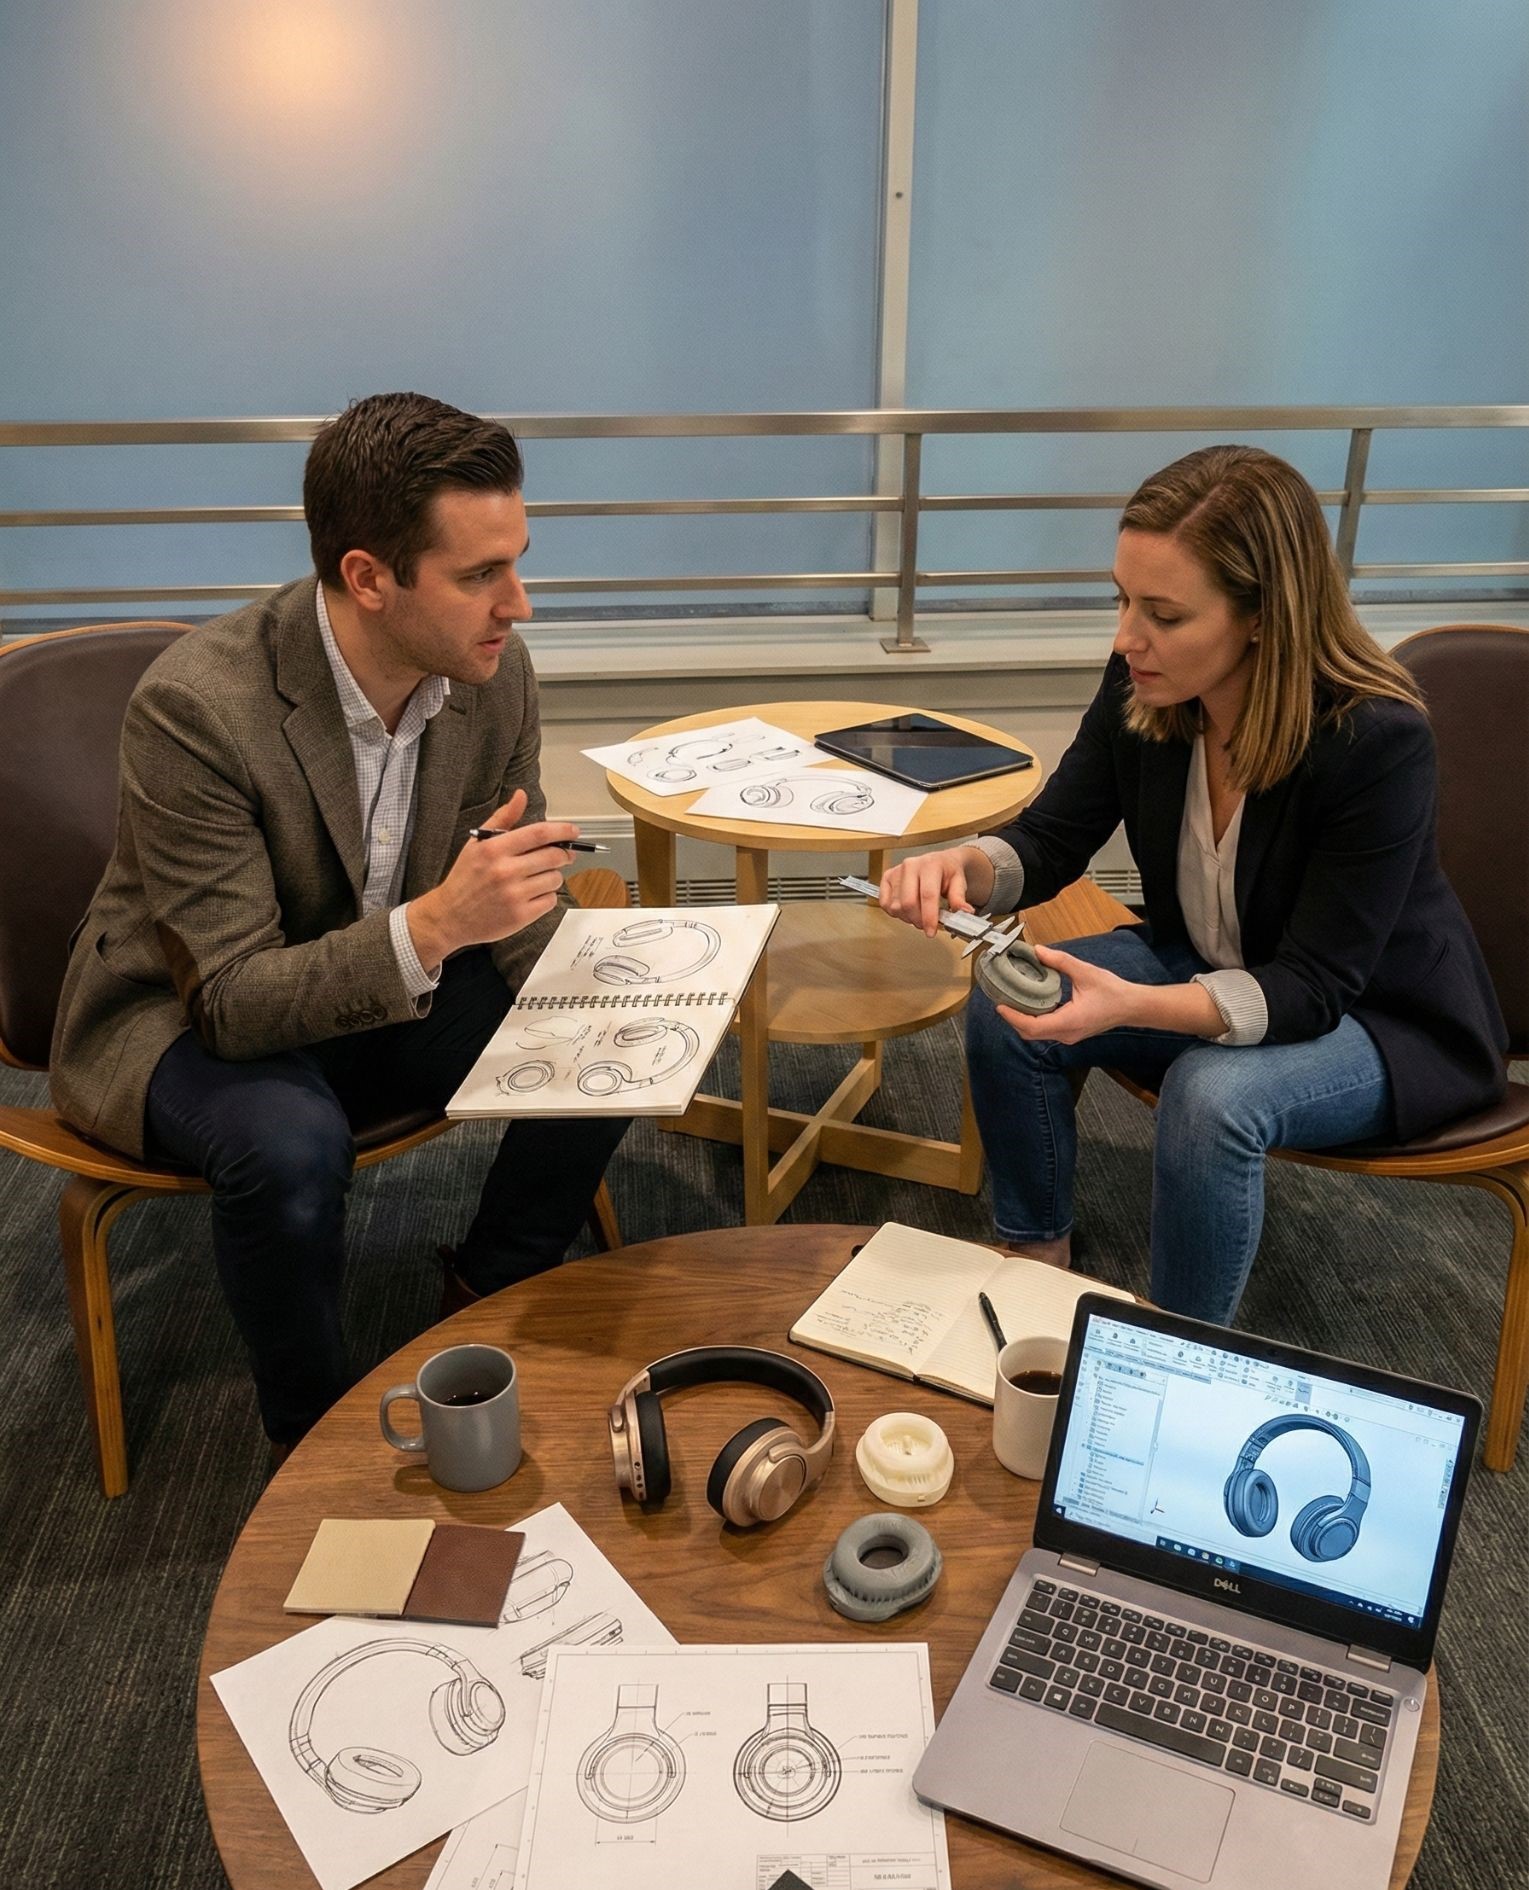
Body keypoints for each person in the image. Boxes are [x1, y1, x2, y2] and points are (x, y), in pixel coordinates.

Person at [51, 391, 629, 1452]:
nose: (519, 605)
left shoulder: (491, 678)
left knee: (604, 1038)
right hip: (184, 1012)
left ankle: (487, 1287)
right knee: (289, 1148)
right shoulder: (198, 707)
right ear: (368, 577)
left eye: (517, 561)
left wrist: (620, 994)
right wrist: (431, 927)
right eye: (478, 576)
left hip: (376, 980)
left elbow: (505, 892)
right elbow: (228, 998)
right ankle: (308, 1440)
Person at [878, 445, 1507, 1324]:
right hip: (1213, 959)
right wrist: (966, 868)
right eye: (1121, 600)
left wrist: (1132, 1005)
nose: (1126, 637)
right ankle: (1035, 1252)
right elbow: (1053, 837)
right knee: (1009, 1004)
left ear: (1262, 616)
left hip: (1382, 1018)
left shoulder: (1375, 740)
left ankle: (1176, 1353)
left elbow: (1312, 988)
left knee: (1210, 1099)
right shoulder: (1148, 687)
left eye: (1163, 614)